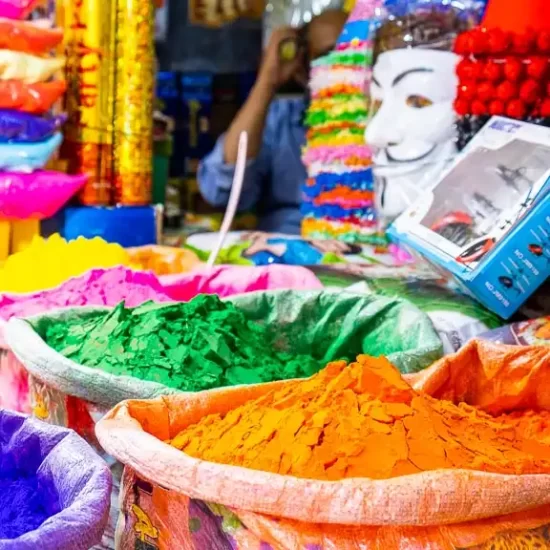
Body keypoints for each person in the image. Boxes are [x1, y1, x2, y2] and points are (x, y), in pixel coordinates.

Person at [198, 10, 348, 235]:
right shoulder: (280, 119)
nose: (346, 68)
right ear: (302, 69)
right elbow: (220, 189)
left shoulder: (390, 124)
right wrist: (267, 80)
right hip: (286, 256)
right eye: (329, 56)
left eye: (356, 54)